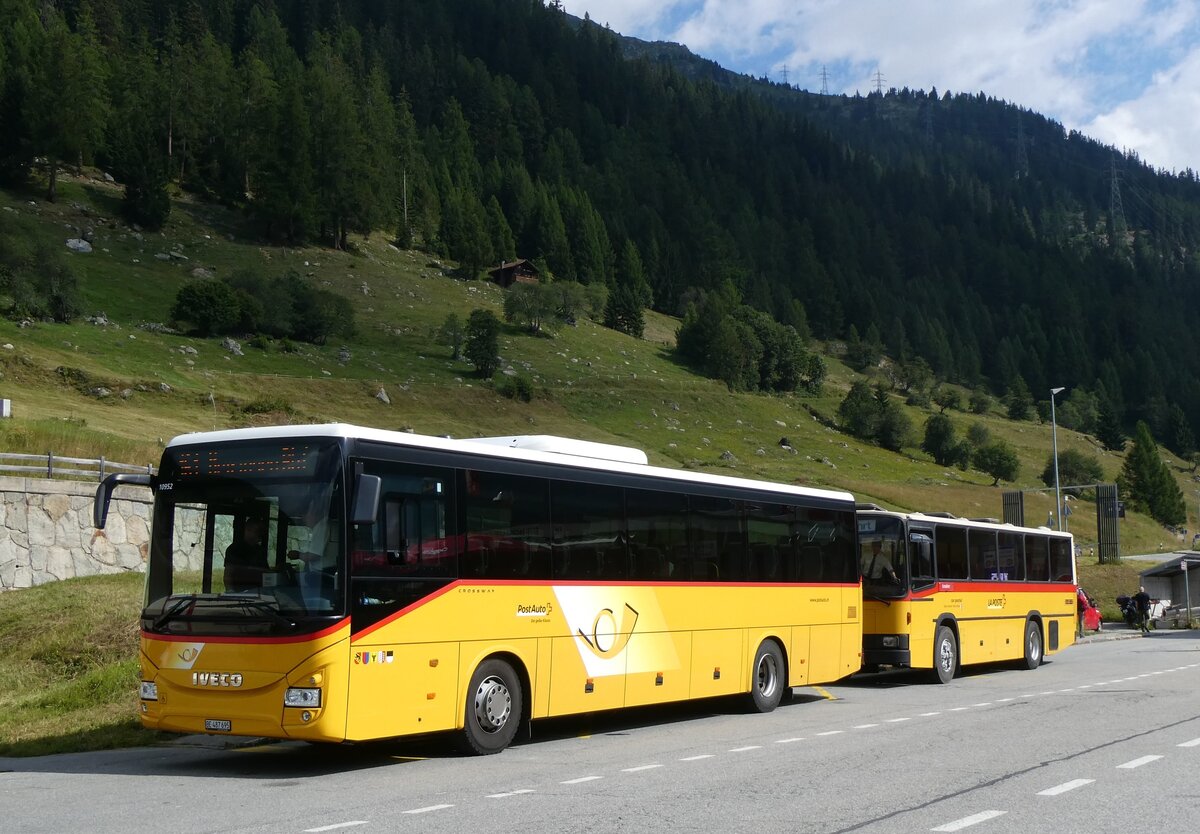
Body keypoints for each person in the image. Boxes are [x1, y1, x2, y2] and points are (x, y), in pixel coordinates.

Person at [224, 516, 269, 591]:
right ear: (245, 530)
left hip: (259, 593)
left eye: (256, 531)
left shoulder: (260, 551)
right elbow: (228, 574)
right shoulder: (234, 549)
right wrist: (231, 592)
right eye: (249, 530)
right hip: (239, 593)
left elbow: (265, 573)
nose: (251, 534)